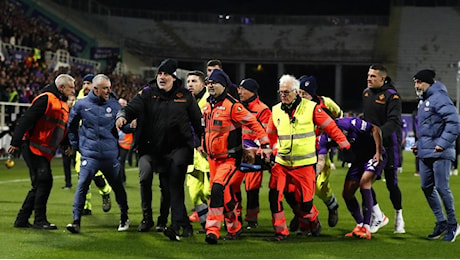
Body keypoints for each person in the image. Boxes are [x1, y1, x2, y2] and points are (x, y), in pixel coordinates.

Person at [116, 59, 204, 240]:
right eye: (160, 74)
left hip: (177, 148)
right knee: (145, 175)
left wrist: (202, 141)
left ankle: (166, 221)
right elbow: (130, 109)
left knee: (171, 185)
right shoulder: (147, 93)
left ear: (173, 77)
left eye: (166, 74)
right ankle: (148, 218)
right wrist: (122, 115)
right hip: (150, 148)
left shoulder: (185, 96)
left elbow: (197, 122)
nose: (162, 77)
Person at [265, 74, 350, 241]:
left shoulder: (311, 108)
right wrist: (273, 149)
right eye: (281, 92)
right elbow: (271, 133)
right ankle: (280, 232)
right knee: (274, 197)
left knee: (306, 204)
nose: (283, 95)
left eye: (287, 92)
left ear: (296, 92)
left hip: (304, 165)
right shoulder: (275, 110)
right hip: (281, 164)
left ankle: (313, 220)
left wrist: (342, 141)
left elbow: (329, 125)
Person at [202, 69, 272, 244]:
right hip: (212, 159)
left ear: (223, 86)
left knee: (217, 190)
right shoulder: (207, 106)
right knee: (224, 196)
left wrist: (265, 145)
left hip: (228, 159)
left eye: (214, 83)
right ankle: (234, 227)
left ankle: (212, 230)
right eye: (209, 83)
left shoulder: (233, 106)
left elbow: (253, 123)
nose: (210, 85)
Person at [66, 74, 130, 234]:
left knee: (118, 187)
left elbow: (124, 127)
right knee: (82, 186)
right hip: (90, 155)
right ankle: (76, 221)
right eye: (105, 88)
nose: (109, 90)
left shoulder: (115, 106)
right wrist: (76, 145)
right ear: (96, 89)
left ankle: (124, 217)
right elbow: (71, 126)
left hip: (110, 156)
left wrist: (132, 126)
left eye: (109, 87)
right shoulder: (81, 105)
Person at [10, 73, 75, 229]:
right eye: (71, 87)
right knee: (44, 181)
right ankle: (39, 220)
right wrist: (16, 141)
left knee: (40, 183)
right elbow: (27, 119)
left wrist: (66, 144)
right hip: (32, 146)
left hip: (42, 150)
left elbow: (61, 127)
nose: (73, 90)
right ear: (61, 87)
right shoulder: (46, 99)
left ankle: (22, 219)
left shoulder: (63, 104)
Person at [411, 69, 460, 242]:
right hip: (426, 151)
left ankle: (453, 225)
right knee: (426, 187)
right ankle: (441, 222)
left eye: (418, 82)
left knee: (442, 187)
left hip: (441, 152)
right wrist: (418, 145)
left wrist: (442, 143)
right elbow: (427, 129)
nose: (416, 86)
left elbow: (454, 122)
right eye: (415, 82)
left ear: (427, 83)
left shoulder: (440, 98)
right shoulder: (425, 101)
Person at [295, 75, 343, 228]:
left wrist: (332, 134)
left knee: (320, 186)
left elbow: (339, 116)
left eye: (305, 93)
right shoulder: (295, 106)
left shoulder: (326, 103)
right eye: (299, 92)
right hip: (301, 151)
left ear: (313, 94)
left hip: (321, 150)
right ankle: (303, 216)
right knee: (297, 186)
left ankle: (332, 206)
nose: (301, 96)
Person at [362, 64, 405, 234]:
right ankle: (378, 215)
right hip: (370, 146)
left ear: (382, 79)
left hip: (388, 145)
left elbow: (394, 122)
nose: (369, 78)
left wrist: (377, 133)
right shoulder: (365, 93)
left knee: (392, 185)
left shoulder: (392, 96)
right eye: (368, 75)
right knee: (364, 181)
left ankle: (399, 216)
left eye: (373, 76)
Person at [329, 117, 386, 240]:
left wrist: (378, 152)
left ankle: (366, 227)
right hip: (359, 159)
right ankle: (360, 224)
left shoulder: (352, 123)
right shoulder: (327, 134)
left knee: (364, 183)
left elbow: (375, 129)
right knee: (347, 193)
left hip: (373, 155)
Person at [230, 78, 271, 230]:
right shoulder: (237, 106)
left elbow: (266, 133)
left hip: (254, 154)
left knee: (252, 187)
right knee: (233, 184)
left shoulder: (263, 110)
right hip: (238, 153)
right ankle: (237, 217)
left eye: (242, 89)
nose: (239, 91)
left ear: (250, 91)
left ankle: (252, 220)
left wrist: (254, 149)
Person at [75, 74, 112, 215]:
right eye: (84, 83)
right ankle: (86, 206)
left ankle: (105, 192)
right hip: (82, 146)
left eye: (88, 83)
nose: (85, 86)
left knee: (97, 177)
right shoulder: (79, 101)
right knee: (82, 177)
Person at [185, 70, 211, 233]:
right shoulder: (185, 101)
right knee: (194, 192)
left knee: (209, 191)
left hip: (207, 153)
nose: (190, 84)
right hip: (191, 153)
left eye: (194, 81)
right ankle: (205, 223)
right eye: (188, 82)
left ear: (202, 84)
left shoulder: (211, 101)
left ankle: (222, 220)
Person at [117, 97, 135, 185]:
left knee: (121, 162)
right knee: (117, 162)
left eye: (123, 104)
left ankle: (121, 180)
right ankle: (120, 179)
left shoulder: (129, 115)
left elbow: (131, 128)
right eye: (120, 104)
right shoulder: (115, 113)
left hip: (125, 143)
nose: (121, 105)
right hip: (116, 142)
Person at [61, 94, 76, 189]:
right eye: (69, 100)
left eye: (73, 100)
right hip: (65, 142)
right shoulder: (63, 113)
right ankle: (68, 183)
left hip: (75, 143)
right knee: (66, 164)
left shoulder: (77, 113)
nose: (71, 102)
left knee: (77, 164)